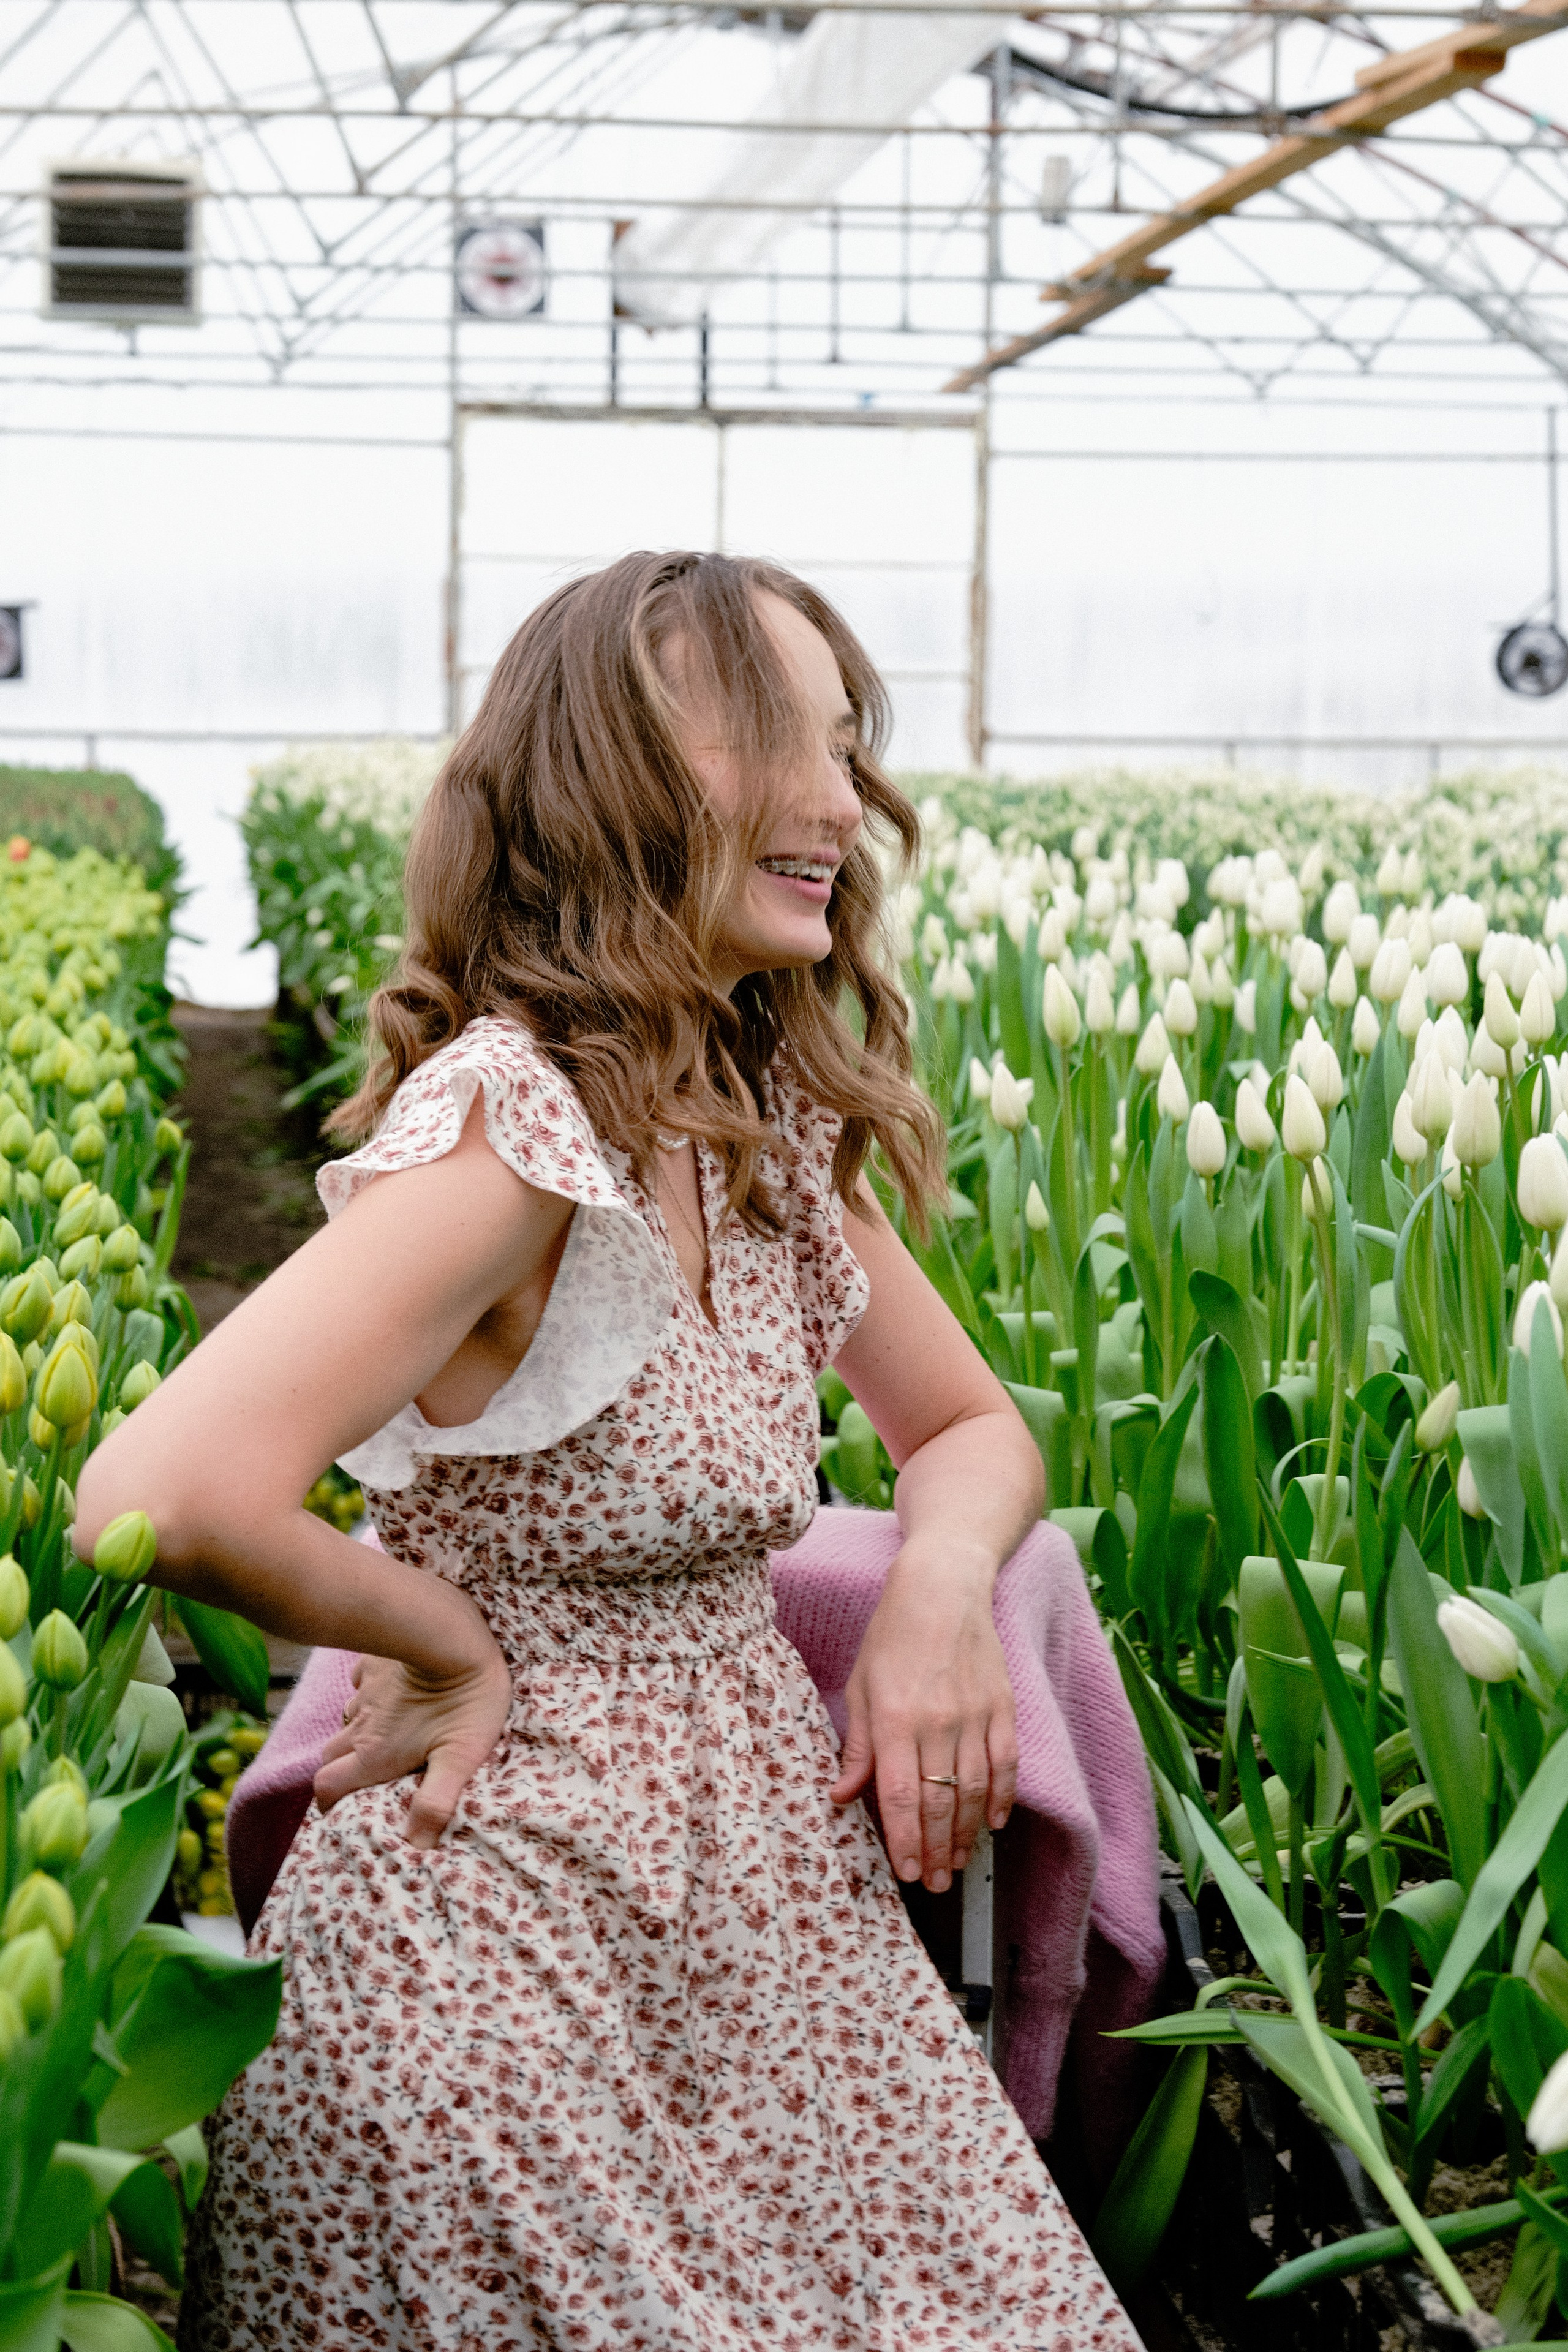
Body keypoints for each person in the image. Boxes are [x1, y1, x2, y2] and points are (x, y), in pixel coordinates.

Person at [77, 551, 1144, 2351]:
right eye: (771, 745)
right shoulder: (517, 1129)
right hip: (496, 1953)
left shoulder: (756, 1126)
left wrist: (943, 1589)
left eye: (844, 743)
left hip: (753, 1937)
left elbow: (966, 1428)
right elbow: (159, 1492)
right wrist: (434, 1637)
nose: (838, 801)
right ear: (604, 782)